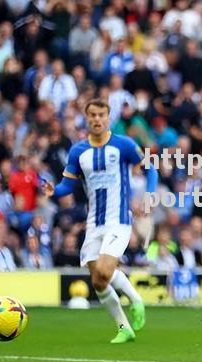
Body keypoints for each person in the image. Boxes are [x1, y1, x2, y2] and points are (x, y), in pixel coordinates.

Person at [42, 99, 157, 344]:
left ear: (108, 117)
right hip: (94, 222)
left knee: (106, 270)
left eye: (101, 115)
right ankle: (124, 328)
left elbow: (151, 169)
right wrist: (55, 190)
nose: (96, 119)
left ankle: (135, 299)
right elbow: (67, 185)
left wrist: (149, 194)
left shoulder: (123, 145)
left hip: (119, 220)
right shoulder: (78, 152)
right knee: (98, 280)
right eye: (92, 115)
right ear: (86, 118)